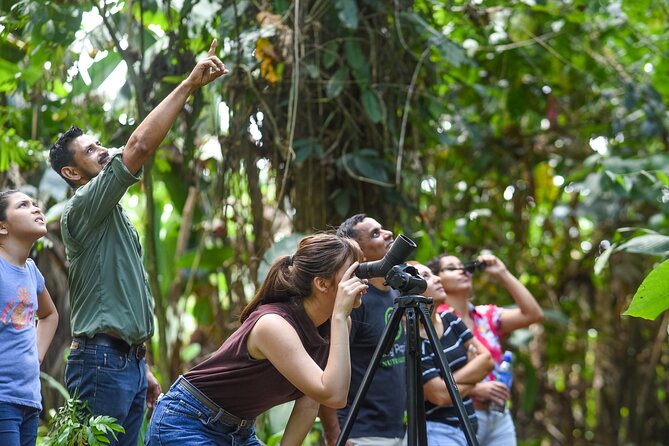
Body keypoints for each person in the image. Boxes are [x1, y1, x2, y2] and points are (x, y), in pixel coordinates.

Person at [48, 40, 228, 445]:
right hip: (101, 361)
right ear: (72, 173)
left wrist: (139, 363)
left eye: (99, 144)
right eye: (90, 151)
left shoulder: (114, 215)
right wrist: (188, 85)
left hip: (125, 360)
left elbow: (118, 293)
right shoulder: (81, 208)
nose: (102, 151)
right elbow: (139, 146)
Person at [144, 233, 368, 446]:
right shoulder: (274, 324)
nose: (363, 280)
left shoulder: (335, 325)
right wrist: (339, 315)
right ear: (322, 283)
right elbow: (335, 395)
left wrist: (339, 319)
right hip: (188, 421)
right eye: (354, 272)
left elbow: (310, 403)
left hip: (239, 432)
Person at [428, 253, 543, 446]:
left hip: (498, 415)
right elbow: (432, 382)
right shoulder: (434, 322)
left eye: (463, 266)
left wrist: (502, 272)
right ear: (436, 279)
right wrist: (477, 388)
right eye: (451, 267)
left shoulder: (485, 315)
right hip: (458, 416)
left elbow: (533, 314)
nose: (462, 270)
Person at [320, 214, 407, 446]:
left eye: (383, 228)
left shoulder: (397, 294)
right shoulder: (356, 302)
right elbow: (326, 367)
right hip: (360, 433)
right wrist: (334, 435)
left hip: (398, 431)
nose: (388, 234)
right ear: (361, 254)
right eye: (375, 234)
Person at [409, 261, 493, 445]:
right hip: (439, 432)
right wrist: (474, 377)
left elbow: (487, 360)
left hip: (469, 427)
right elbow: (439, 396)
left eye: (433, 273)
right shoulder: (416, 341)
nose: (437, 278)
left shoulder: (450, 319)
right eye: (426, 276)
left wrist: (448, 387)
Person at [0, 190, 59, 446]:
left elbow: (49, 315)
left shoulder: (32, 272)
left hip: (29, 400)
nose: (36, 208)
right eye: (23, 205)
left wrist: (36, 356)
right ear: (2, 226)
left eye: (35, 204)